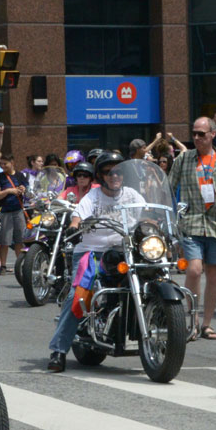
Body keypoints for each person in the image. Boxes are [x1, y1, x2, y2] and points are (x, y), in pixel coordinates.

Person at [47, 152, 146, 371]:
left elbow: (147, 213)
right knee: (78, 295)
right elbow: (78, 215)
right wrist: (74, 226)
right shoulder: (93, 197)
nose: (114, 176)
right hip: (92, 253)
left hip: (125, 251)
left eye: (118, 171)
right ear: (100, 176)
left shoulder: (132, 195)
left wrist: (157, 224)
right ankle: (58, 350)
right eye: (108, 172)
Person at [171, 115, 216, 340]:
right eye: (194, 133)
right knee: (193, 270)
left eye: (201, 134)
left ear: (213, 134)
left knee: (213, 274)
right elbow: (169, 187)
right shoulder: (184, 159)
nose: (197, 138)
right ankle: (192, 320)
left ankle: (206, 324)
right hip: (191, 223)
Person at [0, 153, 28, 270]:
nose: (3, 166)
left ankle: (20, 265)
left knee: (20, 240)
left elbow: (26, 188)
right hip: (5, 212)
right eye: (1, 164)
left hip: (18, 211)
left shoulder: (20, 175)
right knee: (5, 241)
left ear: (12, 163)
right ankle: (3, 265)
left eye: (5, 164)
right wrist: (8, 191)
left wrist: (23, 189)